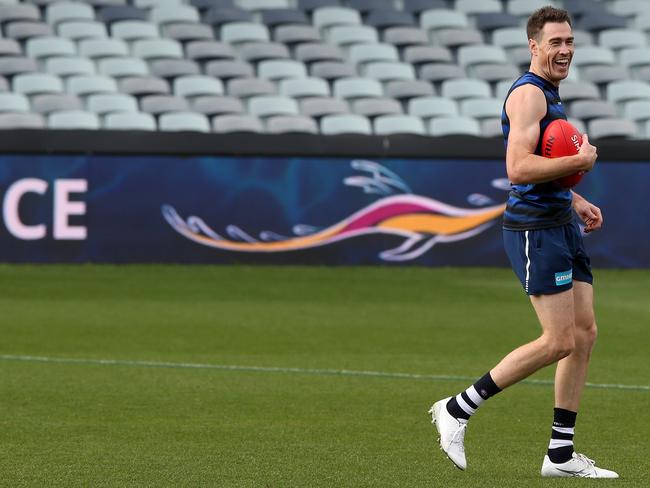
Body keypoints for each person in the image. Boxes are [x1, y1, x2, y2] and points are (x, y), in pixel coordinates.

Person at [428, 6, 618, 478]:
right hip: (535, 229)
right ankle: (456, 408)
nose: (565, 50)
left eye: (569, 41)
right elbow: (518, 169)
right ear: (534, 46)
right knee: (558, 340)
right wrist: (582, 161)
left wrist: (574, 199)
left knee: (585, 334)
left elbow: (540, 166)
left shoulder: (551, 95)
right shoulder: (529, 96)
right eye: (555, 42)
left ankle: (560, 454)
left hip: (559, 221)